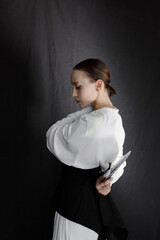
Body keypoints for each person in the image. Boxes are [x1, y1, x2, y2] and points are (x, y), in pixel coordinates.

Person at [46, 58, 128, 240]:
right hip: (93, 209)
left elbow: (52, 135)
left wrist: (87, 110)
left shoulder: (89, 122)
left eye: (77, 86)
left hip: (73, 208)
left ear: (98, 85)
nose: (73, 93)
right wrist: (109, 181)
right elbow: (118, 160)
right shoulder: (115, 118)